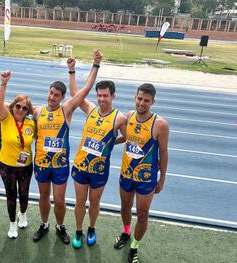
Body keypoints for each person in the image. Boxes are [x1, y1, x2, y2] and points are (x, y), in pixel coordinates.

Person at [32, 50, 103, 245]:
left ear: (62, 97)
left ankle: (60, 226)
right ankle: (44, 224)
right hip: (40, 163)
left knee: (60, 200)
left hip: (60, 165)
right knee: (43, 196)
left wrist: (93, 65)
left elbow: (85, 90)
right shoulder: (37, 111)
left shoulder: (66, 110)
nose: (52, 97)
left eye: (56, 95)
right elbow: (14, 110)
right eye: (51, 93)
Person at [67, 58, 127, 249]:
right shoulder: (91, 109)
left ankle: (91, 228)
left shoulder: (119, 118)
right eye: (99, 95)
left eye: (105, 96)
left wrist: (110, 144)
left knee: (94, 202)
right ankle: (78, 230)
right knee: (79, 202)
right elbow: (75, 93)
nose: (101, 99)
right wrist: (72, 71)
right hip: (81, 165)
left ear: (113, 96)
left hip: (100, 169)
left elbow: (126, 137)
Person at [113, 83, 169, 263]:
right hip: (126, 173)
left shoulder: (160, 124)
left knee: (143, 214)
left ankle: (134, 247)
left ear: (153, 101)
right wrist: (107, 142)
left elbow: (164, 152)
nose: (142, 103)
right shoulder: (129, 116)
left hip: (146, 178)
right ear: (134, 98)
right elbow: (127, 138)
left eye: (146, 100)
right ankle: (126, 232)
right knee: (125, 208)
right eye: (139, 99)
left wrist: (162, 179)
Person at [0, 71, 36, 239]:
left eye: (24, 108)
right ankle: (12, 224)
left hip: (25, 167)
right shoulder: (6, 118)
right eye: (18, 106)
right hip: (7, 166)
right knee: (11, 195)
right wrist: (4, 84)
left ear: (27, 110)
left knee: (24, 194)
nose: (20, 109)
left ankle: (23, 214)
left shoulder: (31, 123)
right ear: (12, 107)